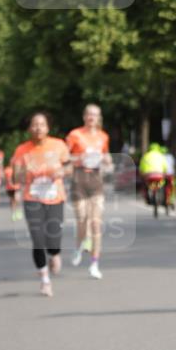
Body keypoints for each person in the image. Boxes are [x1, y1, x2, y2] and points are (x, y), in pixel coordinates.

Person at [11, 112, 71, 297]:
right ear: (29, 128)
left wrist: (60, 172)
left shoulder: (58, 145)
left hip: (55, 198)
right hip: (32, 199)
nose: (38, 128)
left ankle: (55, 253)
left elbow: (69, 167)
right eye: (35, 125)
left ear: (47, 127)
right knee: (37, 239)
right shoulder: (22, 150)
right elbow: (15, 177)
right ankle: (45, 280)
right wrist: (26, 173)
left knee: (53, 237)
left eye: (42, 124)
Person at [66, 104, 112, 280]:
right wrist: (80, 158)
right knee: (82, 220)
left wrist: (107, 159)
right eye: (89, 114)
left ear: (99, 117)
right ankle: (78, 247)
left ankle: (94, 263)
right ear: (84, 116)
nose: (92, 117)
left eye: (95, 115)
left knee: (95, 223)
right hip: (78, 179)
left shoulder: (103, 136)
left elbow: (106, 155)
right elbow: (64, 156)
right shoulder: (75, 135)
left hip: (95, 180)